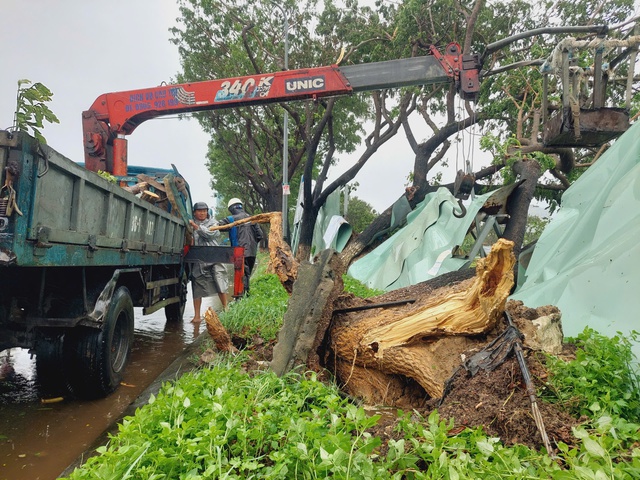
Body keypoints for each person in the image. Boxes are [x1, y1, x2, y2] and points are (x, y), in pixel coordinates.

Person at [188, 202, 228, 322]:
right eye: (199, 211)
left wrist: (196, 227)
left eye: (204, 211)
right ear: (195, 212)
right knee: (197, 283)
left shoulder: (213, 223)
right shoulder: (190, 222)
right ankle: (197, 316)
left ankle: (226, 308)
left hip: (213, 255)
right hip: (198, 257)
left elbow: (210, 235)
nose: (202, 213)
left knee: (219, 279)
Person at [219, 198, 263, 296]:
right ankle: (244, 294)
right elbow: (260, 235)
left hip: (239, 251)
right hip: (252, 251)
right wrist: (252, 244)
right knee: (247, 274)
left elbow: (218, 226)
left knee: (241, 274)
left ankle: (242, 296)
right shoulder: (252, 218)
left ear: (231, 208)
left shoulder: (230, 219)